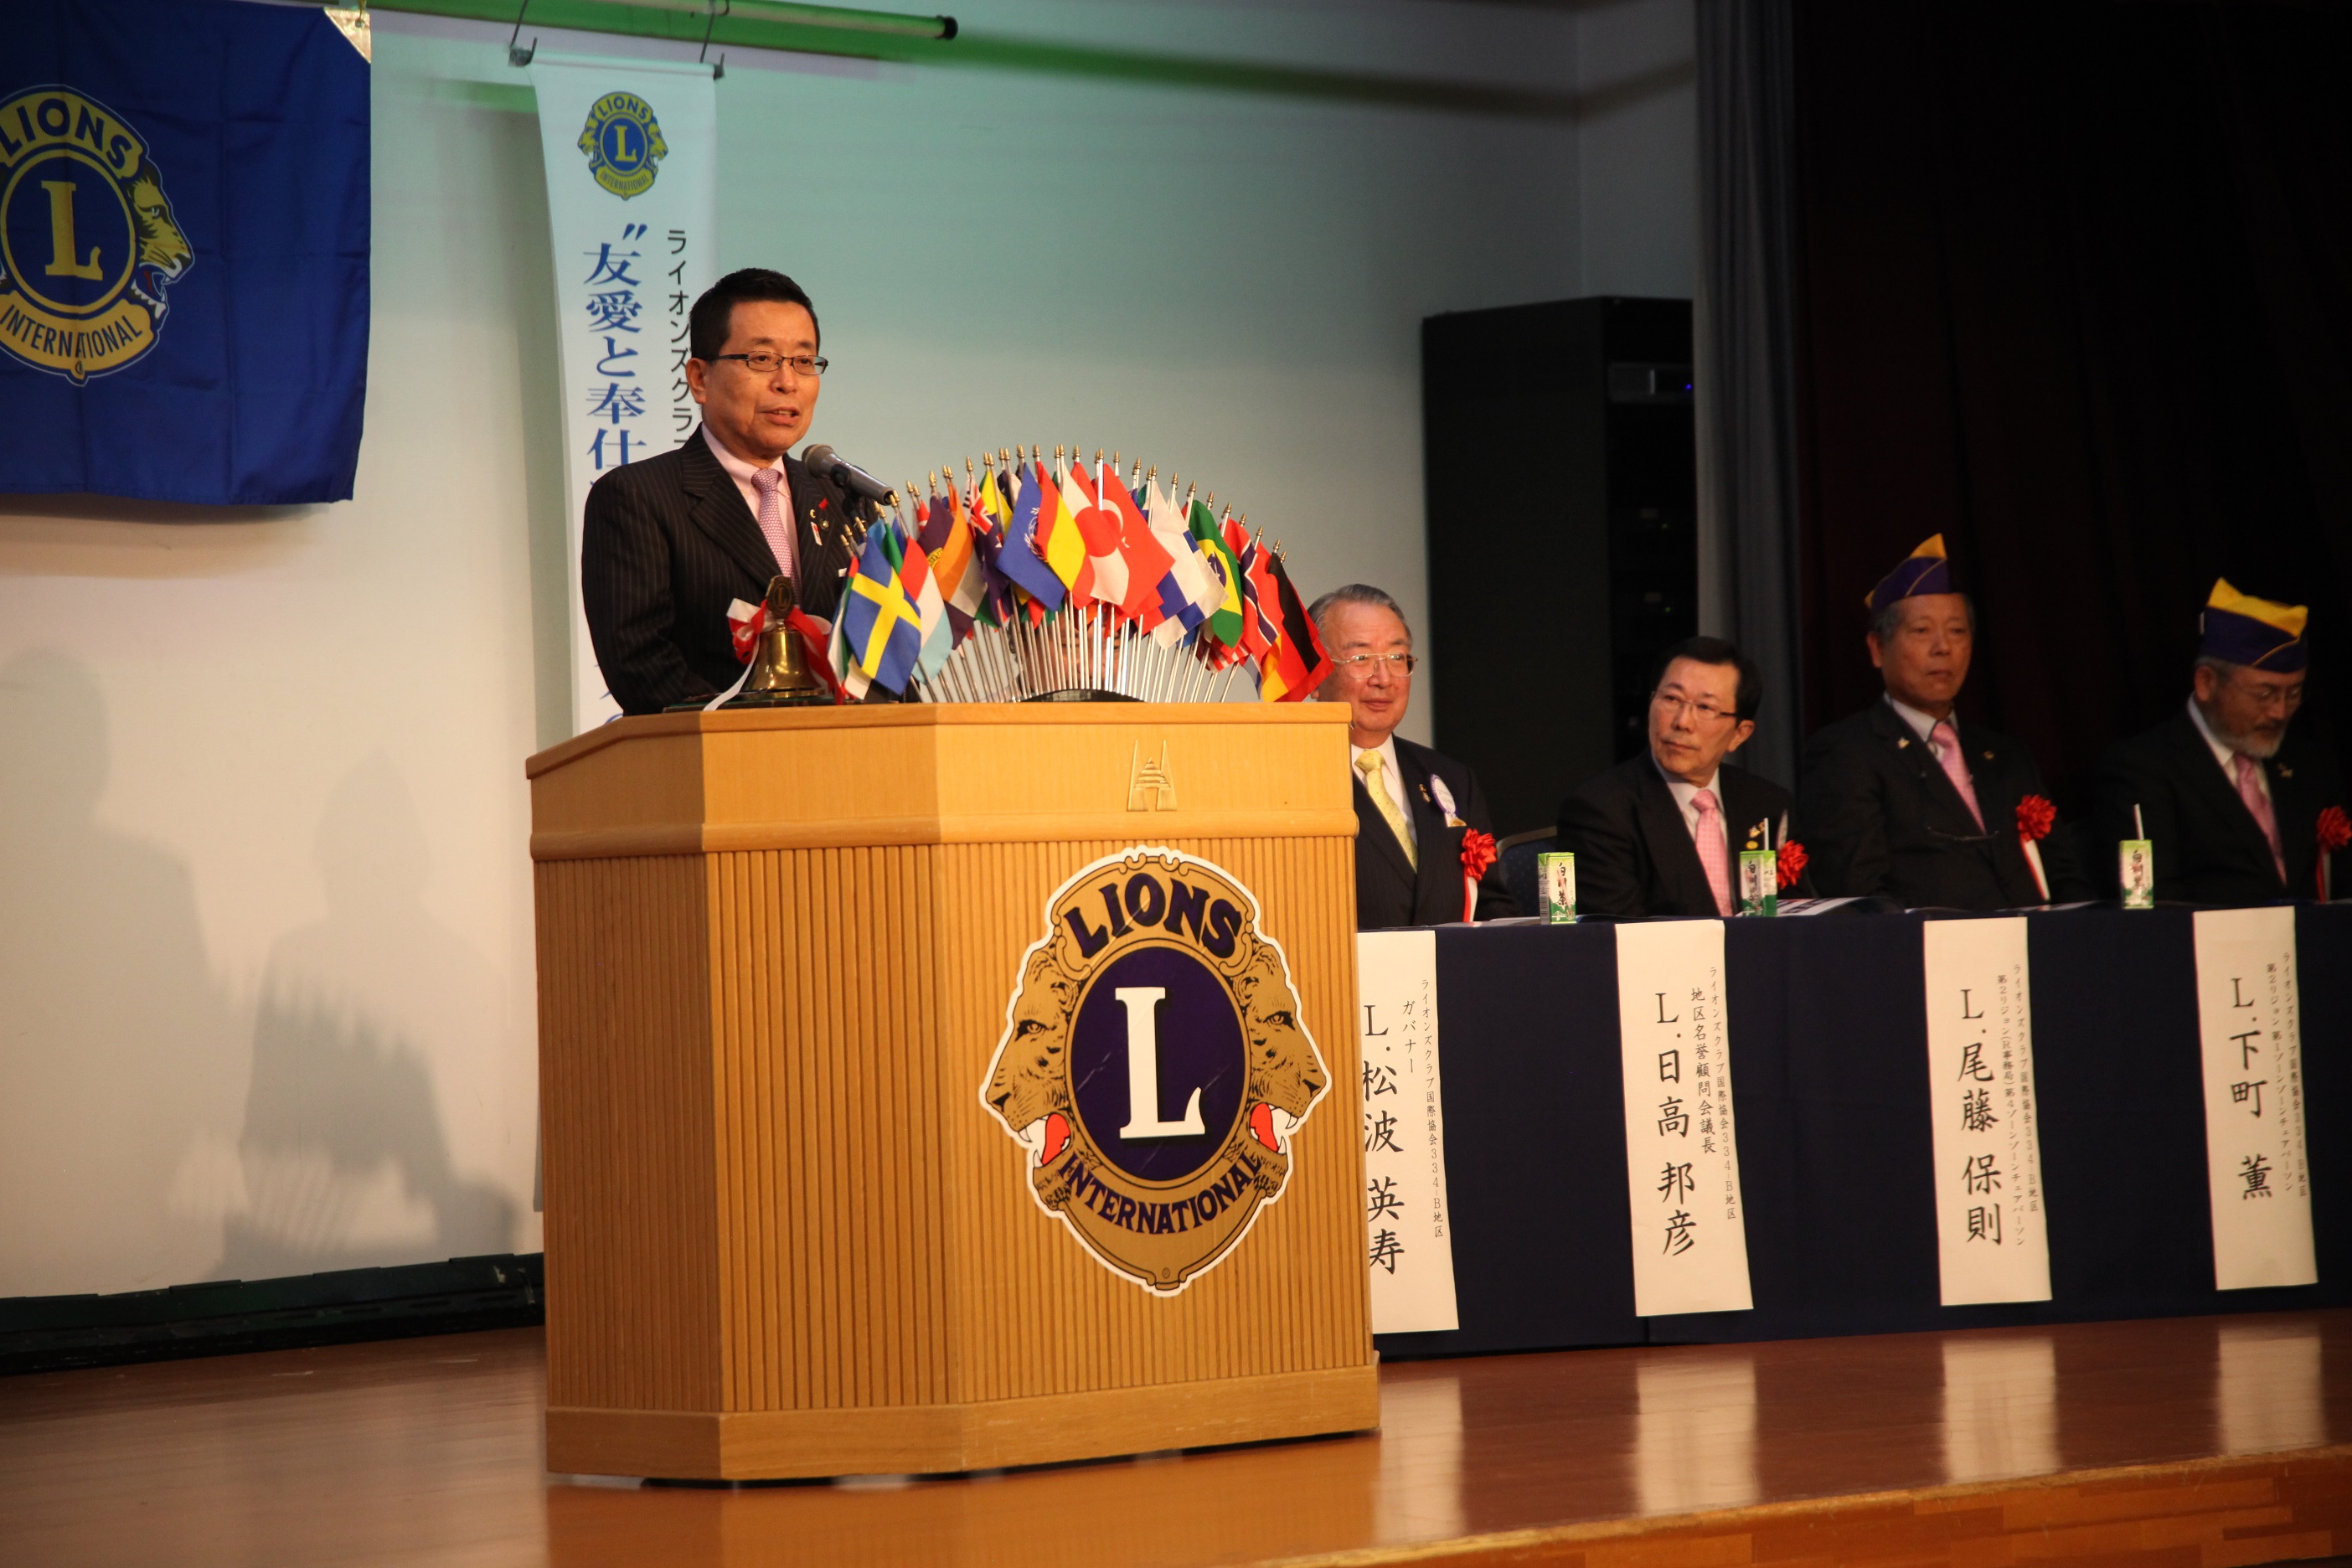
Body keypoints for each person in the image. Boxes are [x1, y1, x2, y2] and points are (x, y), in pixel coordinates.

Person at [580, 268, 866, 716]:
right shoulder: (636, 498)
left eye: (803, 361)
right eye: (762, 359)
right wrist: (774, 737)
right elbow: (642, 668)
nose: (787, 382)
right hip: (716, 754)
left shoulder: (842, 498)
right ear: (699, 378)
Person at [1797, 534, 2092, 908]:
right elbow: (1860, 896)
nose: (1943, 648)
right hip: (1925, 943)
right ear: (1878, 648)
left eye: (1957, 631)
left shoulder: (2005, 754)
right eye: (1922, 631)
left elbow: (2064, 876)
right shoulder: (1847, 753)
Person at [2089, 580, 2347, 904]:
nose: (2280, 712)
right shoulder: (2143, 769)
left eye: (2293, 694)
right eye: (2264, 694)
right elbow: (2150, 902)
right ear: (2206, 683)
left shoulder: (2312, 765)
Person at [1310, 585, 1518, 929]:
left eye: (1396, 657)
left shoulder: (1452, 779)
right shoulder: (1290, 780)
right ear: (1314, 675)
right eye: (1361, 659)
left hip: (1451, 963)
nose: (1383, 679)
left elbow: (1491, 906)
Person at [1556, 636, 1807, 917]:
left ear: (1739, 734)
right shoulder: (1600, 810)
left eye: (1705, 708)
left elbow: (1797, 917)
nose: (1682, 722)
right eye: (1671, 699)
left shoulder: (1767, 804)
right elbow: (1620, 932)